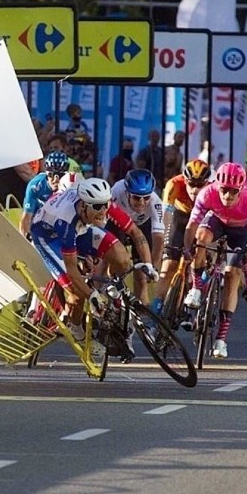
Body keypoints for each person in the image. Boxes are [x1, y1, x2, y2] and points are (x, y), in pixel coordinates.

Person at [29, 178, 158, 360]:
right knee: (76, 292)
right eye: (97, 207)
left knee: (122, 258)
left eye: (105, 205)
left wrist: (148, 264)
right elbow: (72, 270)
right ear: (83, 205)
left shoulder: (101, 204)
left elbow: (136, 233)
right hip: (49, 236)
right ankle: (77, 332)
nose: (103, 211)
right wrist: (91, 295)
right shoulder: (66, 221)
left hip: (82, 226)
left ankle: (113, 298)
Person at [183, 162, 247, 359]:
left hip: (240, 231)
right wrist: (188, 249)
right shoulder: (206, 193)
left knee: (232, 275)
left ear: (241, 189)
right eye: (224, 190)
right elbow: (191, 225)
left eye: (233, 192)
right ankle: (196, 289)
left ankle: (221, 339)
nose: (228, 196)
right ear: (217, 186)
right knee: (201, 240)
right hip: (216, 221)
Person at [154, 158, 212, 323]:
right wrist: (164, 243)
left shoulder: (212, 190)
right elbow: (165, 218)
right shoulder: (174, 184)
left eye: (200, 185)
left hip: (201, 219)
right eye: (191, 184)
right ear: (184, 180)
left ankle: (199, 289)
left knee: (203, 258)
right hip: (179, 218)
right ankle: (155, 316)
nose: (194, 190)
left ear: (206, 183)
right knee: (168, 267)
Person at [109, 169, 165, 306]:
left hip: (142, 225)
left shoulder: (156, 202)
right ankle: (113, 301)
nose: (141, 202)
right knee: (113, 263)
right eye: (136, 197)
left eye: (146, 197)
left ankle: (140, 312)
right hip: (119, 222)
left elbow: (158, 239)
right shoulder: (116, 190)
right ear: (127, 193)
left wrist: (153, 266)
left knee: (142, 276)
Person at [19, 152, 69, 238]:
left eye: (60, 175)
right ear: (46, 174)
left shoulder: (71, 185)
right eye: (51, 175)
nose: (55, 180)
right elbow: (26, 218)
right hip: (37, 220)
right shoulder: (36, 185)